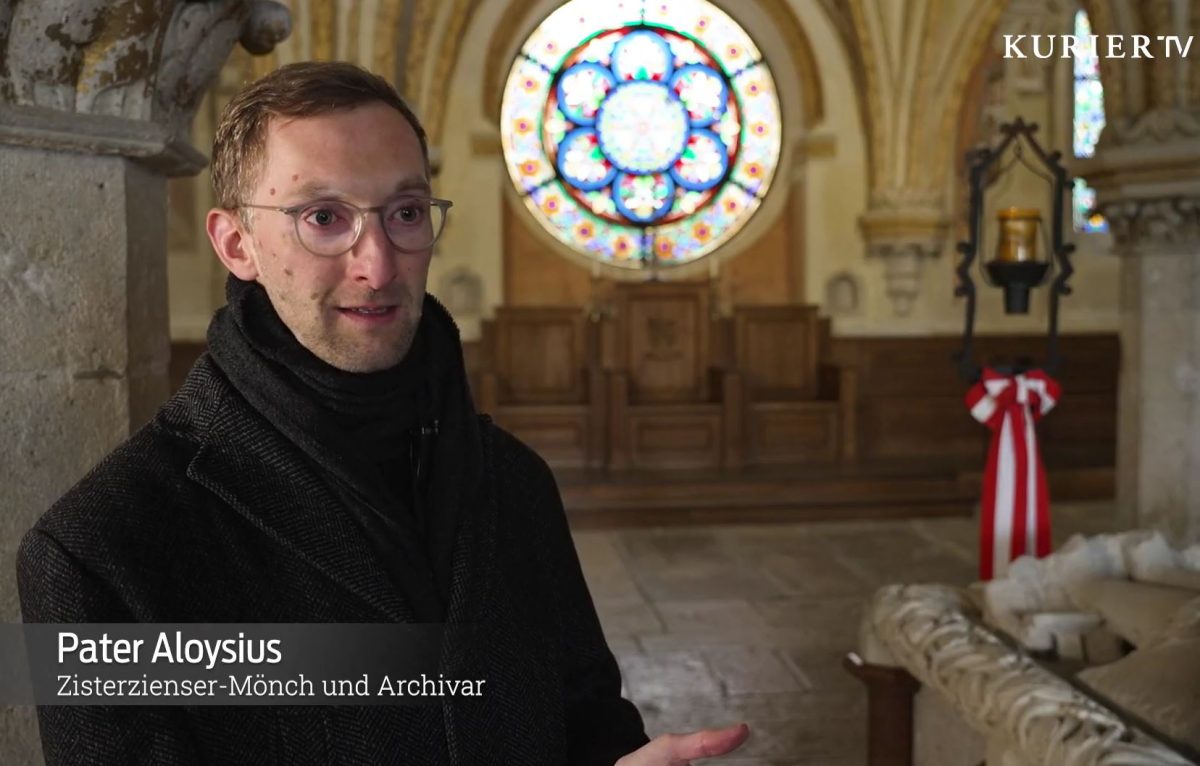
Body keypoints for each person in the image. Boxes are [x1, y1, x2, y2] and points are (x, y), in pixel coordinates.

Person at [17, 62, 749, 765]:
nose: (378, 264)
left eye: (405, 213)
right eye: (323, 217)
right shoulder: (99, 554)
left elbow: (588, 725)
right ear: (237, 244)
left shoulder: (517, 484)